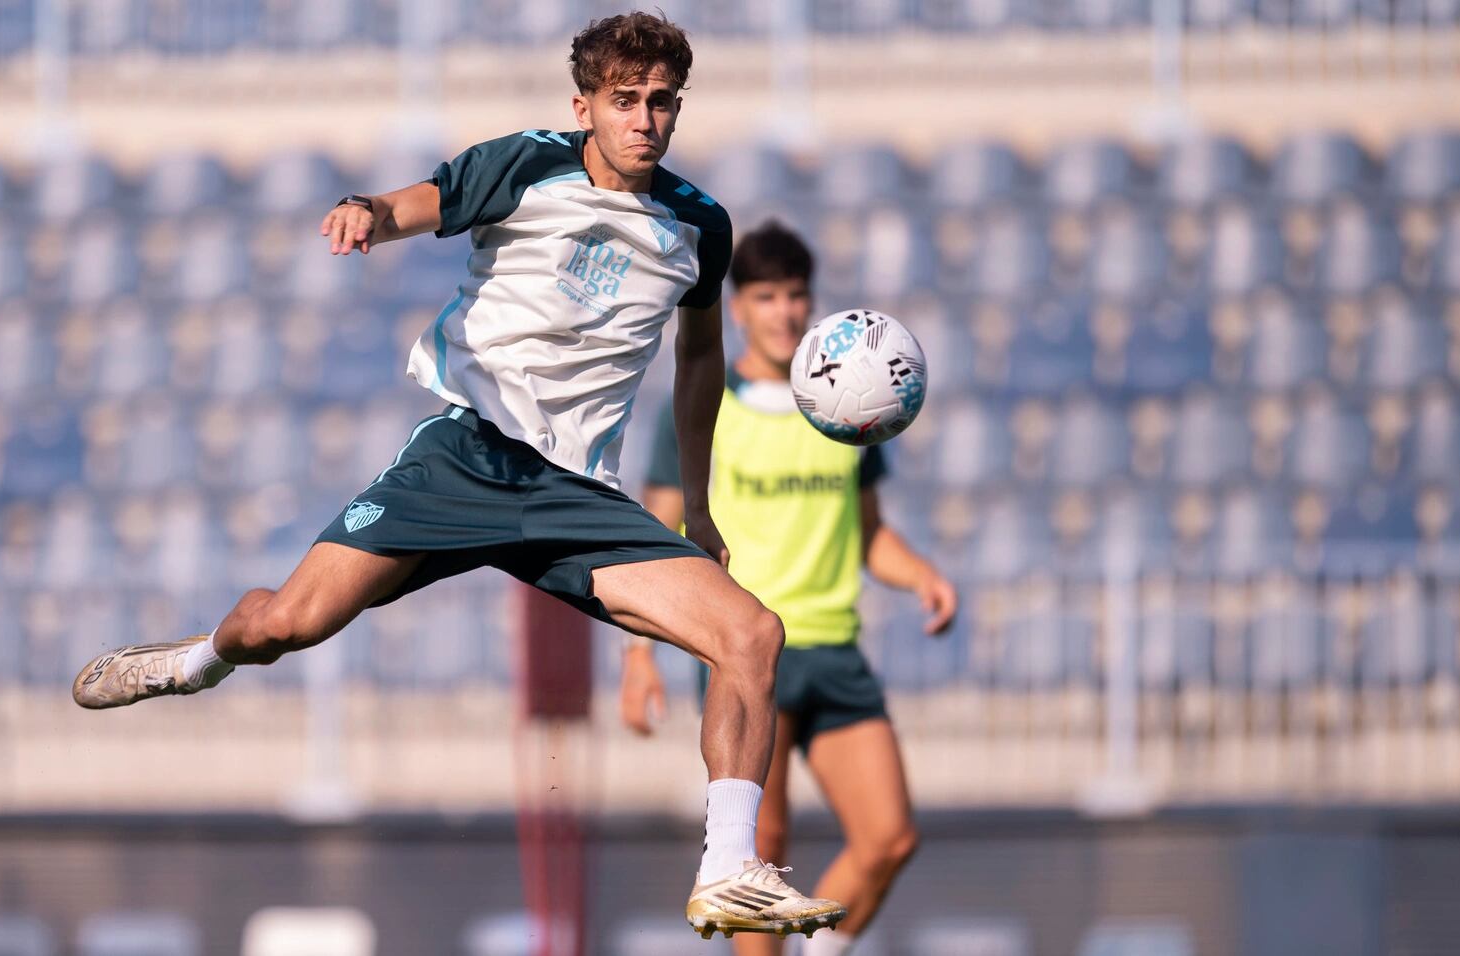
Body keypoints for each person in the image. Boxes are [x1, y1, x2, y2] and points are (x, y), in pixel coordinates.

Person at [69, 12, 846, 940]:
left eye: (661, 102)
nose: (644, 120)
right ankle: (196, 663)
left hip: (577, 499)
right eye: (624, 100)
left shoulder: (699, 227)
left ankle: (728, 866)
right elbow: (414, 204)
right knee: (287, 623)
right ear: (584, 104)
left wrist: (702, 506)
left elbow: (700, 360)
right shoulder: (525, 163)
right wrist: (365, 211)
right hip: (467, 457)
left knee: (752, 633)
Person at [618, 221, 958, 955]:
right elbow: (652, 536)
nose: (784, 312)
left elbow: (870, 534)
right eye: (766, 297)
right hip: (746, 659)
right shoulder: (706, 405)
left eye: (796, 296)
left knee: (891, 837)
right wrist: (638, 655)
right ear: (738, 309)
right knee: (756, 855)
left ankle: (826, 947)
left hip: (833, 650)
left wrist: (922, 575)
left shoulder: (850, 407)